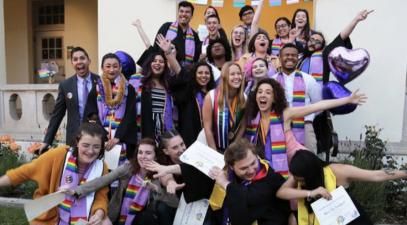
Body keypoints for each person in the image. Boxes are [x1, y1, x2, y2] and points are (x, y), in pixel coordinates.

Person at [240, 78, 366, 176]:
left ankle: (376, 174)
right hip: (274, 169)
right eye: (260, 92)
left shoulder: (284, 114)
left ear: (274, 98)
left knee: (335, 172)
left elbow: (317, 106)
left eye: (268, 92)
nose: (263, 95)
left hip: (299, 161)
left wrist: (346, 100)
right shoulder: (253, 121)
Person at [0, 122, 109, 225]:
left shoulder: (101, 167)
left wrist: (99, 213)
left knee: (106, 222)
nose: (90, 151)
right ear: (77, 142)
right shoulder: (58, 155)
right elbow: (25, 172)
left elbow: (101, 196)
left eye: (96, 147)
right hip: (53, 217)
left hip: (86, 217)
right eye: (86, 145)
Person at [276, 150, 407, 225]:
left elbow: (375, 175)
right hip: (318, 219)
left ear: (310, 174)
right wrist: (310, 192)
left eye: (302, 180)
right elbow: (281, 192)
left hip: (349, 220)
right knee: (292, 218)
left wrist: (404, 174)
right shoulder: (300, 175)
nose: (300, 183)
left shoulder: (337, 172)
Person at [71, 138, 168, 225]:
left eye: (148, 153)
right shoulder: (128, 167)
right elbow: (104, 180)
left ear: (155, 156)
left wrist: (155, 189)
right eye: (140, 152)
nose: (143, 156)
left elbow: (172, 203)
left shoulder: (161, 173)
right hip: (119, 217)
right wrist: (77, 190)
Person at [209, 138, 290, 225]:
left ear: (256, 156)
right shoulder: (228, 175)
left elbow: (249, 199)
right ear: (231, 167)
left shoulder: (270, 178)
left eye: (253, 163)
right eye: (244, 168)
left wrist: (225, 184)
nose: (251, 171)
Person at [40, 47, 100, 152]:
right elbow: (57, 114)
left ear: (89, 61)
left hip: (97, 136)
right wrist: (47, 141)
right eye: (75, 59)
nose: (79, 61)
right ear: (72, 63)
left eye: (82, 58)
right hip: (74, 138)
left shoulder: (100, 81)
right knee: (74, 167)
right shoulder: (65, 85)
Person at [272, 43, 322, 151]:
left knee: (308, 161)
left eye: (293, 55)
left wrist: (307, 116)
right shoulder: (272, 81)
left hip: (305, 126)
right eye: (286, 55)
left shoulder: (309, 79)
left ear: (298, 58)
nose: (290, 57)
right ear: (280, 58)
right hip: (278, 127)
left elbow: (318, 105)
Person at [96, 53, 138, 163]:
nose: (111, 70)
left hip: (120, 139)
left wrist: (117, 137)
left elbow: (130, 115)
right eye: (108, 66)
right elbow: (91, 112)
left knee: (119, 173)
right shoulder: (96, 87)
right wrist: (102, 134)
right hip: (100, 138)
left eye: (115, 66)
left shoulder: (129, 89)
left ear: (120, 68)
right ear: (102, 68)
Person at [203, 62, 246, 152]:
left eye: (239, 74)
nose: (237, 77)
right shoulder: (211, 96)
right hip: (211, 146)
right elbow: (208, 129)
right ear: (225, 77)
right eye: (232, 74)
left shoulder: (244, 98)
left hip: (233, 148)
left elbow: (242, 126)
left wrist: (233, 150)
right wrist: (215, 154)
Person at [137, 51, 178, 144]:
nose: (157, 63)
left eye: (161, 61)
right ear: (149, 64)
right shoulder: (140, 83)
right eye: (154, 61)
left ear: (165, 65)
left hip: (164, 128)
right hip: (146, 125)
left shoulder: (168, 85)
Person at [154, 1, 201, 66]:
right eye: (181, 11)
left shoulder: (194, 35)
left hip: (184, 72)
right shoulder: (166, 27)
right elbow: (155, 50)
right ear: (178, 13)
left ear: (191, 16)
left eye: (187, 12)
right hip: (165, 70)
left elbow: (196, 59)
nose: (184, 14)